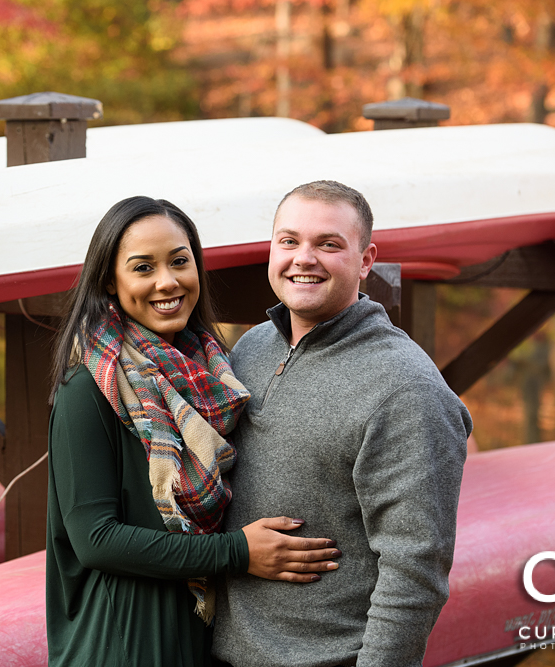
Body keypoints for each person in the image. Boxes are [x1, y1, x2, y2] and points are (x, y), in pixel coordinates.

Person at [45, 196, 342, 667]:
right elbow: (95, 539)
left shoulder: (214, 375)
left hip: (196, 638)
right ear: (109, 282)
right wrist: (237, 553)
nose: (167, 282)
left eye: (180, 262)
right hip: (121, 643)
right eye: (143, 268)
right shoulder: (88, 390)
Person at [212, 181, 473, 667]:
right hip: (222, 652)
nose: (302, 258)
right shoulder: (251, 348)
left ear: (366, 259)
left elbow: (415, 572)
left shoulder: (406, 390)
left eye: (327, 244)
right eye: (288, 241)